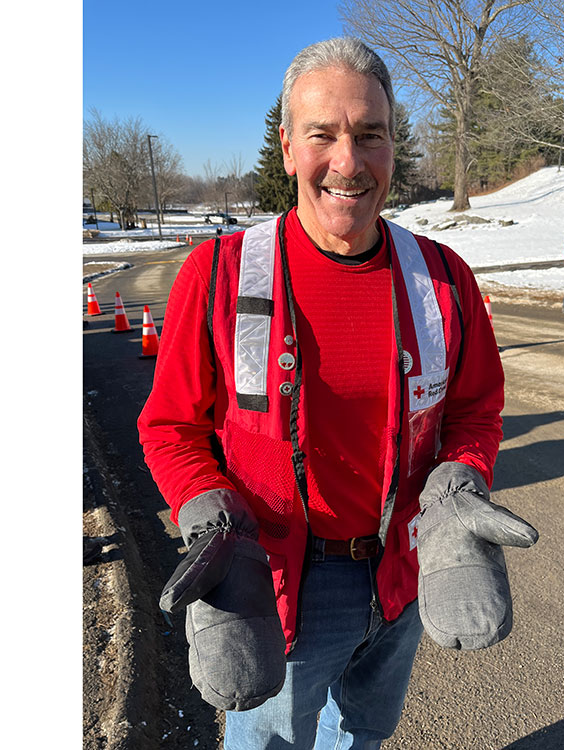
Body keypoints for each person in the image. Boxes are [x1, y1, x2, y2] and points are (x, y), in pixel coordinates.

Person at [137, 38, 538, 750]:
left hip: (403, 569)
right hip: (276, 588)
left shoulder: (443, 280)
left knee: (362, 735)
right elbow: (171, 427)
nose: (348, 162)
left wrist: (458, 490)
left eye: (370, 135)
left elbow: (474, 411)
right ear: (288, 146)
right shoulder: (222, 275)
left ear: (392, 149)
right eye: (322, 134)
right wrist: (209, 517)